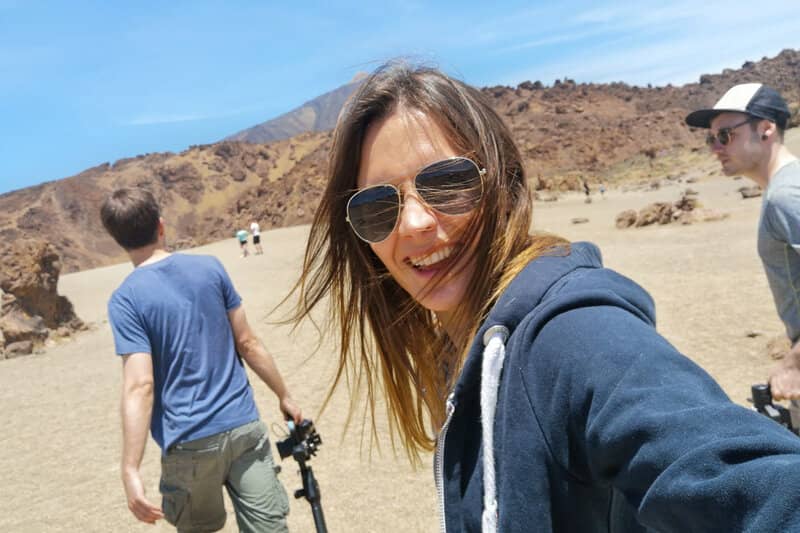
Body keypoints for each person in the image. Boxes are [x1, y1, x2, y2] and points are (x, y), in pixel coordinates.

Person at [286, 62, 800, 532]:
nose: (415, 222)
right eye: (377, 206)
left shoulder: (571, 335)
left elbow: (755, 486)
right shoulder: (463, 345)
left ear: (504, 184)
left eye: (447, 183)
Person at [101, 188, 302, 532]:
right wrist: (284, 395)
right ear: (161, 226)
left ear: (117, 240)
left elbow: (140, 384)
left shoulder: (125, 299)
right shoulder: (210, 268)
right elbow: (248, 343)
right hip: (243, 428)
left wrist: (130, 468)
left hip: (189, 440)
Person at [686, 83, 800, 399]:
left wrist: (795, 364)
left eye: (725, 136)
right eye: (711, 138)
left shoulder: (786, 195)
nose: (714, 148)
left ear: (765, 130)